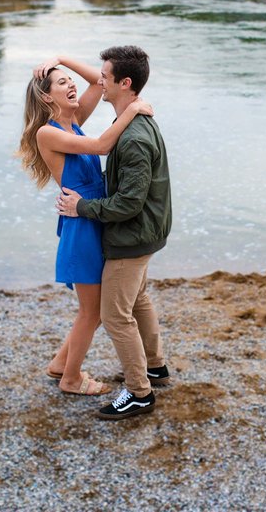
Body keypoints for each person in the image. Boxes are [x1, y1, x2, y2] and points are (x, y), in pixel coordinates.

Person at [17, 55, 153, 396]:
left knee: (91, 310)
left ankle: (61, 365)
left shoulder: (73, 119)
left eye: (68, 80)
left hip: (91, 215)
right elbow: (102, 146)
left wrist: (61, 59)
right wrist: (132, 110)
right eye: (62, 83)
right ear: (47, 97)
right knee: (91, 312)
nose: (71, 84)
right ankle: (71, 379)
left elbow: (98, 83)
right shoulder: (47, 133)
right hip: (82, 226)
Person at [56, 45, 172, 421]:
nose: (98, 81)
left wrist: (82, 207)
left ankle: (140, 392)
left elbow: (128, 204)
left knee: (114, 314)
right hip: (144, 232)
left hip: (132, 235)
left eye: (105, 77)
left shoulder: (134, 137)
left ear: (125, 83)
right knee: (137, 301)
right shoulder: (129, 124)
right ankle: (154, 367)